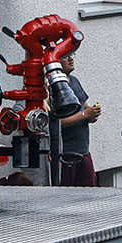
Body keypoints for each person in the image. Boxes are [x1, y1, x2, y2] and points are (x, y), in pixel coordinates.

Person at [48, 52, 101, 186]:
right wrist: (84, 115)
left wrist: (92, 113)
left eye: (72, 54)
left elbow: (85, 107)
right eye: (65, 56)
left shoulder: (74, 81)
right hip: (66, 155)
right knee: (68, 194)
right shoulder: (53, 87)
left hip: (84, 151)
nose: (71, 58)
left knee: (89, 192)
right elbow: (55, 124)